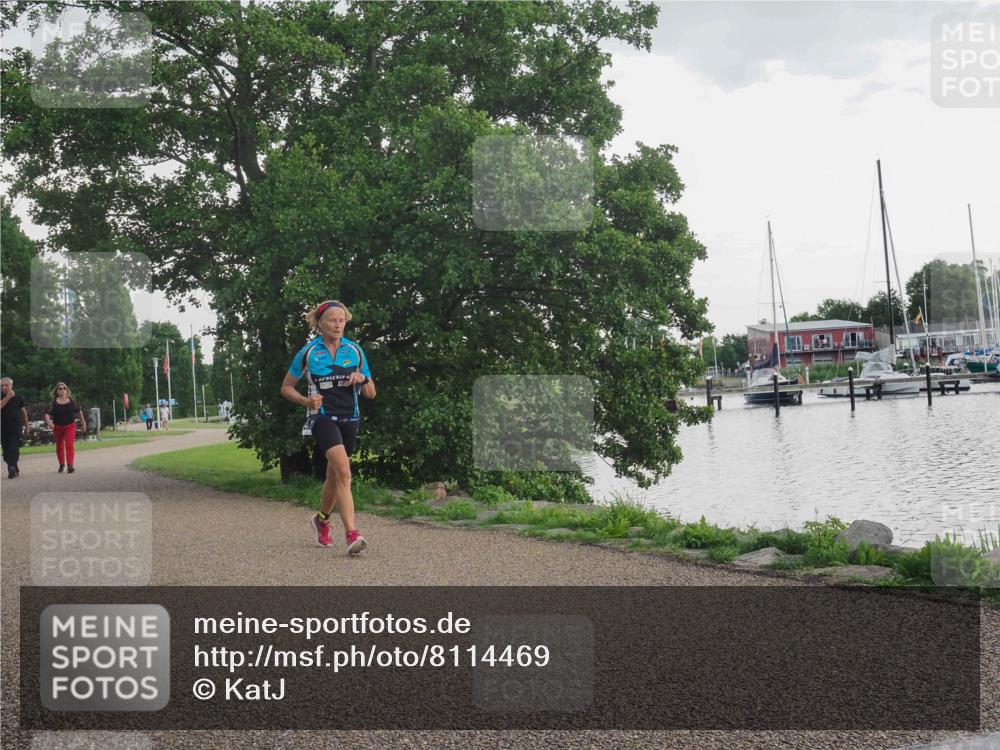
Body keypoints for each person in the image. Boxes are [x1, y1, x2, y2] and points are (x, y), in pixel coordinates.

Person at [281, 300, 375, 555]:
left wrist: (362, 378)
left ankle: (322, 520)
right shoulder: (309, 352)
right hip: (322, 418)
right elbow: (286, 387)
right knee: (344, 472)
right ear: (320, 323)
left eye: (342, 320)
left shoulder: (354, 351)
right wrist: (305, 400)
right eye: (332, 319)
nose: (338, 324)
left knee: (335, 475)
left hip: (350, 418)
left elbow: (371, 392)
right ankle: (352, 534)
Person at [44, 382, 87, 474]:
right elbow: (47, 414)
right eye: (60, 388)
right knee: (59, 446)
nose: (62, 390)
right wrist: (49, 422)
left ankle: (70, 465)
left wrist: (83, 423)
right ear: (57, 391)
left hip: (70, 426)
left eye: (64, 388)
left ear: (67, 390)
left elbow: (79, 412)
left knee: (69, 444)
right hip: (58, 427)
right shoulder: (53, 402)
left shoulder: (72, 401)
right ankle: (62, 464)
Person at [1, 377, 31, 479]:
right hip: (2, 427)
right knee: (6, 451)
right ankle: (14, 467)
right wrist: (8, 397)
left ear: (11, 385)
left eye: (6, 385)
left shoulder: (19, 397)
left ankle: (11, 467)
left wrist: (27, 425)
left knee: (13, 447)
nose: (4, 387)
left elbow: (23, 412)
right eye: (2, 385)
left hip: (15, 426)